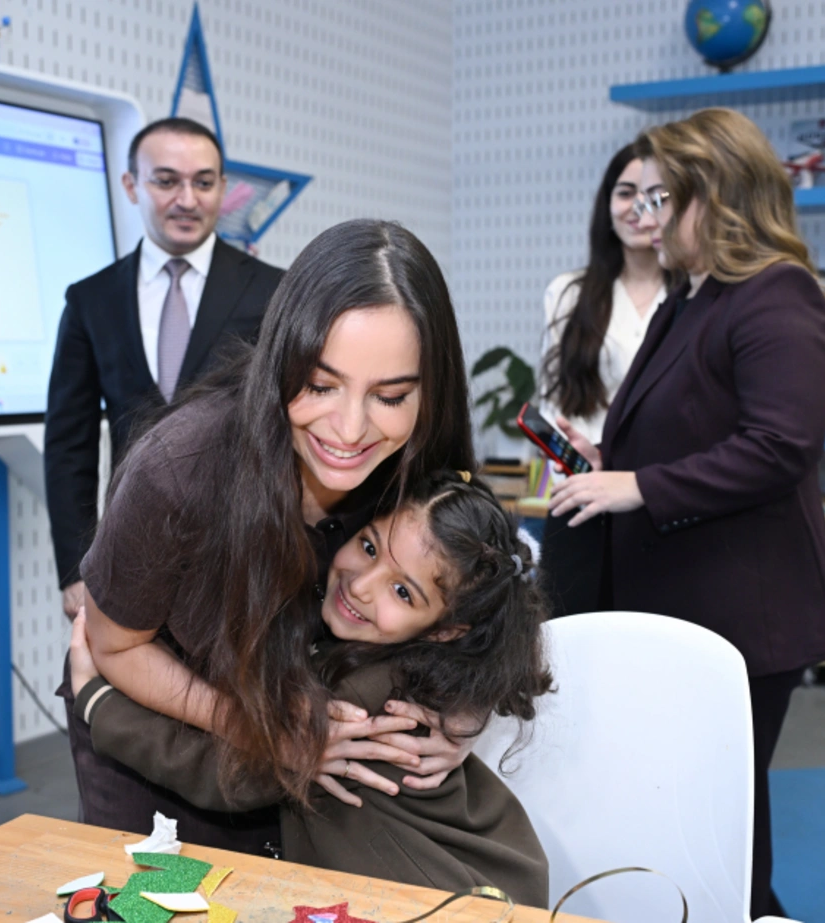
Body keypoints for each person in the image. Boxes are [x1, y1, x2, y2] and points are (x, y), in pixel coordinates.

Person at [65, 219, 478, 854]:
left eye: (390, 396)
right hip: (158, 748)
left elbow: (484, 603)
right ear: (281, 358)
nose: (349, 430)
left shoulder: (420, 465)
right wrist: (268, 732)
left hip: (305, 762)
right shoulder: (179, 470)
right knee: (165, 896)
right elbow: (113, 648)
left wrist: (464, 715)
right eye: (319, 386)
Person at [547, 108, 825, 919]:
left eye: (664, 197)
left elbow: (781, 444)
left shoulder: (776, 293)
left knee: (722, 825)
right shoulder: (690, 298)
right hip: (684, 604)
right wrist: (611, 462)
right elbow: (688, 425)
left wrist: (640, 485)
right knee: (697, 816)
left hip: (744, 616)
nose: (647, 215)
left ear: (716, 197)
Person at [69, 472, 553, 907]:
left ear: (446, 630)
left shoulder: (363, 705)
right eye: (369, 547)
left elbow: (228, 774)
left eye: (402, 591)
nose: (362, 586)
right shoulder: (409, 662)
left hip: (450, 902)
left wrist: (97, 699)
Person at [44, 116, 283, 620]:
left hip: (244, 554)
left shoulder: (275, 291)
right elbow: (69, 445)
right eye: (167, 181)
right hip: (128, 552)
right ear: (132, 186)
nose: (187, 200)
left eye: (203, 182)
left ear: (222, 188)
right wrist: (75, 569)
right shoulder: (91, 299)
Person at [538, 144, 669, 618]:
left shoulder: (693, 295)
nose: (638, 208)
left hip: (661, 504)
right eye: (625, 192)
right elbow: (554, 403)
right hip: (581, 499)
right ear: (606, 202)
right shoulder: (569, 293)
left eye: (654, 195)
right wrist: (576, 464)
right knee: (567, 639)